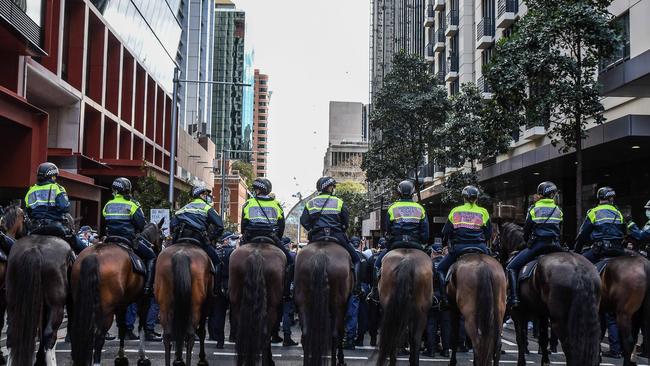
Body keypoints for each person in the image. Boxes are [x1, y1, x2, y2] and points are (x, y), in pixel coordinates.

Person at [367, 180, 429, 302]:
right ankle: (434, 296)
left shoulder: (392, 208)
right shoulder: (420, 208)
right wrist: (423, 241)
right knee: (431, 267)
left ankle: (374, 292)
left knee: (377, 265)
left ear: (399, 193)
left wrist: (390, 240)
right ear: (412, 193)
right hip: (415, 244)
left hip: (396, 244)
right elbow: (425, 233)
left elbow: (387, 231)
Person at [506, 182, 563, 307]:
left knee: (511, 267)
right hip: (555, 245)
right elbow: (560, 230)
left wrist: (526, 243)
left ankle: (514, 298)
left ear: (540, 194)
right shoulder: (558, 210)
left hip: (538, 246)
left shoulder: (533, 209)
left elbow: (526, 231)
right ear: (552, 195)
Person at [300, 176, 361, 290]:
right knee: (357, 260)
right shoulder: (339, 202)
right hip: (336, 235)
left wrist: (312, 229)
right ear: (329, 188)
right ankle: (357, 288)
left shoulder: (310, 203)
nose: (333, 189)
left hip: (317, 236)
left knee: (299, 259)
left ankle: (294, 287)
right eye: (332, 186)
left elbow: (303, 221)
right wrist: (341, 228)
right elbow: (346, 221)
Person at [436, 186, 491, 307]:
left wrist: (449, 243)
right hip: (480, 248)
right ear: (476, 198)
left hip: (459, 248)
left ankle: (443, 300)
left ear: (464, 198)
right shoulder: (483, 212)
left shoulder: (456, 211)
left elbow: (446, 231)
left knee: (440, 269)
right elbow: (488, 234)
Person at [103, 177, 156, 295]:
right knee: (151, 256)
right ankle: (148, 288)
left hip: (110, 239)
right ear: (128, 190)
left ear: (114, 190)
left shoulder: (108, 204)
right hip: (128, 240)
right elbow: (142, 225)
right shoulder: (132, 205)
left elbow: (106, 219)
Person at [171, 184, 225, 295]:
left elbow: (172, 225)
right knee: (218, 263)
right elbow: (220, 226)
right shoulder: (207, 208)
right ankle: (217, 290)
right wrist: (211, 238)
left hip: (181, 239)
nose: (206, 197)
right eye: (205, 194)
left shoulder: (183, 208)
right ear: (200, 195)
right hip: (199, 241)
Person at [24, 162, 87, 254]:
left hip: (35, 228)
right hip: (55, 227)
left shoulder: (31, 191)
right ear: (52, 176)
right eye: (55, 176)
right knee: (79, 245)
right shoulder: (57, 188)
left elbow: (28, 211)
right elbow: (64, 208)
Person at [240, 178, 293, 264]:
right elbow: (281, 225)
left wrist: (244, 234)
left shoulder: (248, 203)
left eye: (256, 189)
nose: (255, 191)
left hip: (251, 235)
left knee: (236, 256)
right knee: (290, 260)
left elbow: (243, 224)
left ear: (259, 190)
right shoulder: (276, 204)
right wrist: (278, 237)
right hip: (271, 235)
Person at [575, 187, 626, 263]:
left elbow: (583, 234)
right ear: (610, 199)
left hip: (600, 250)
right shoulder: (618, 213)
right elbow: (624, 232)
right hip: (618, 249)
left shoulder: (593, 212)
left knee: (580, 263)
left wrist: (577, 250)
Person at [209, 232, 237, 347]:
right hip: (231, 285)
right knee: (234, 313)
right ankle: (233, 336)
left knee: (219, 314)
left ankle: (220, 341)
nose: (234, 241)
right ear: (226, 240)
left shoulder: (216, 252)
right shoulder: (234, 253)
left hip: (217, 286)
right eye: (232, 239)